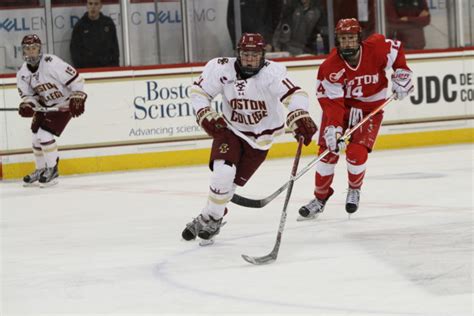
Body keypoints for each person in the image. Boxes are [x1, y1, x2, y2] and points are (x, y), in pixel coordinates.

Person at [181, 33, 317, 243]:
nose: (250, 59)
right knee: (222, 173)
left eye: (255, 55)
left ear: (263, 55)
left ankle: (208, 215)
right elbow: (198, 91)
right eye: (245, 54)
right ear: (238, 54)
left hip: (262, 139)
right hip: (230, 130)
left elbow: (296, 94)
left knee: (229, 185)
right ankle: (212, 219)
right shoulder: (221, 68)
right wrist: (204, 114)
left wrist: (299, 114)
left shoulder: (272, 73)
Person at [298, 18, 414, 220]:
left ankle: (354, 189)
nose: (348, 43)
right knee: (327, 154)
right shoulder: (330, 67)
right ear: (337, 41)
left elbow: (396, 51)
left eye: (351, 38)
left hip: (370, 109)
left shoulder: (376, 48)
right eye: (343, 39)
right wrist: (333, 127)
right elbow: (332, 102)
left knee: (356, 153)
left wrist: (402, 73)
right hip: (341, 109)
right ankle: (320, 198)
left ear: (359, 38)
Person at [17, 34, 87, 187]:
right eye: (27, 49)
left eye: (34, 48)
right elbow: (29, 96)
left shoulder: (51, 63)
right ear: (23, 51)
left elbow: (77, 80)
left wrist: (78, 97)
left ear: (39, 50)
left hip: (63, 104)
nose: (30, 52)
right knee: (36, 138)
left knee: (44, 134)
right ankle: (41, 170)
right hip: (46, 105)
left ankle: (53, 170)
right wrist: (28, 105)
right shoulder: (22, 73)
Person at [70, 0, 119, 68]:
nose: (93, 7)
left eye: (96, 4)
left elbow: (115, 48)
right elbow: (75, 52)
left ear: (101, 5)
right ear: (87, 5)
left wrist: (115, 68)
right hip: (87, 70)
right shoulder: (80, 26)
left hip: (107, 68)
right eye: (90, 4)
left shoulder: (108, 23)